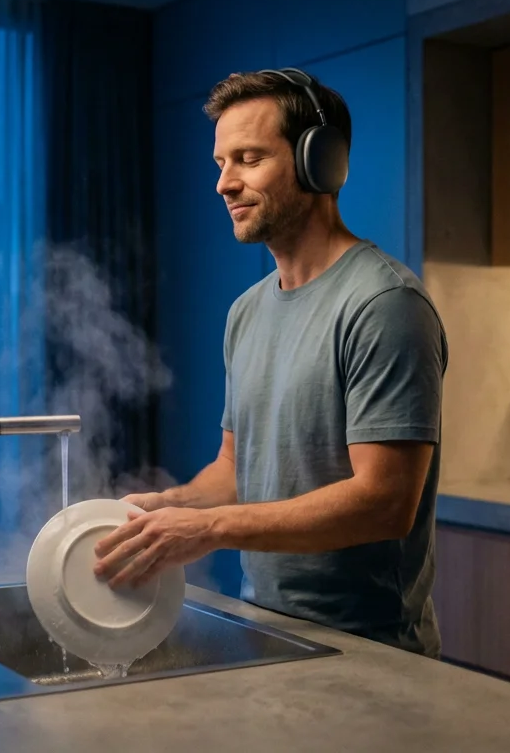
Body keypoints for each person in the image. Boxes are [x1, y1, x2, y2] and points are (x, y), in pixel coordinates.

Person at [93, 68, 449, 658]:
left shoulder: (385, 305)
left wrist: (207, 531)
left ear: (321, 163)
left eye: (249, 159)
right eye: (220, 163)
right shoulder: (246, 312)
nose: (224, 184)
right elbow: (237, 469)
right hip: (264, 630)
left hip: (371, 651)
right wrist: (167, 509)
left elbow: (386, 502)